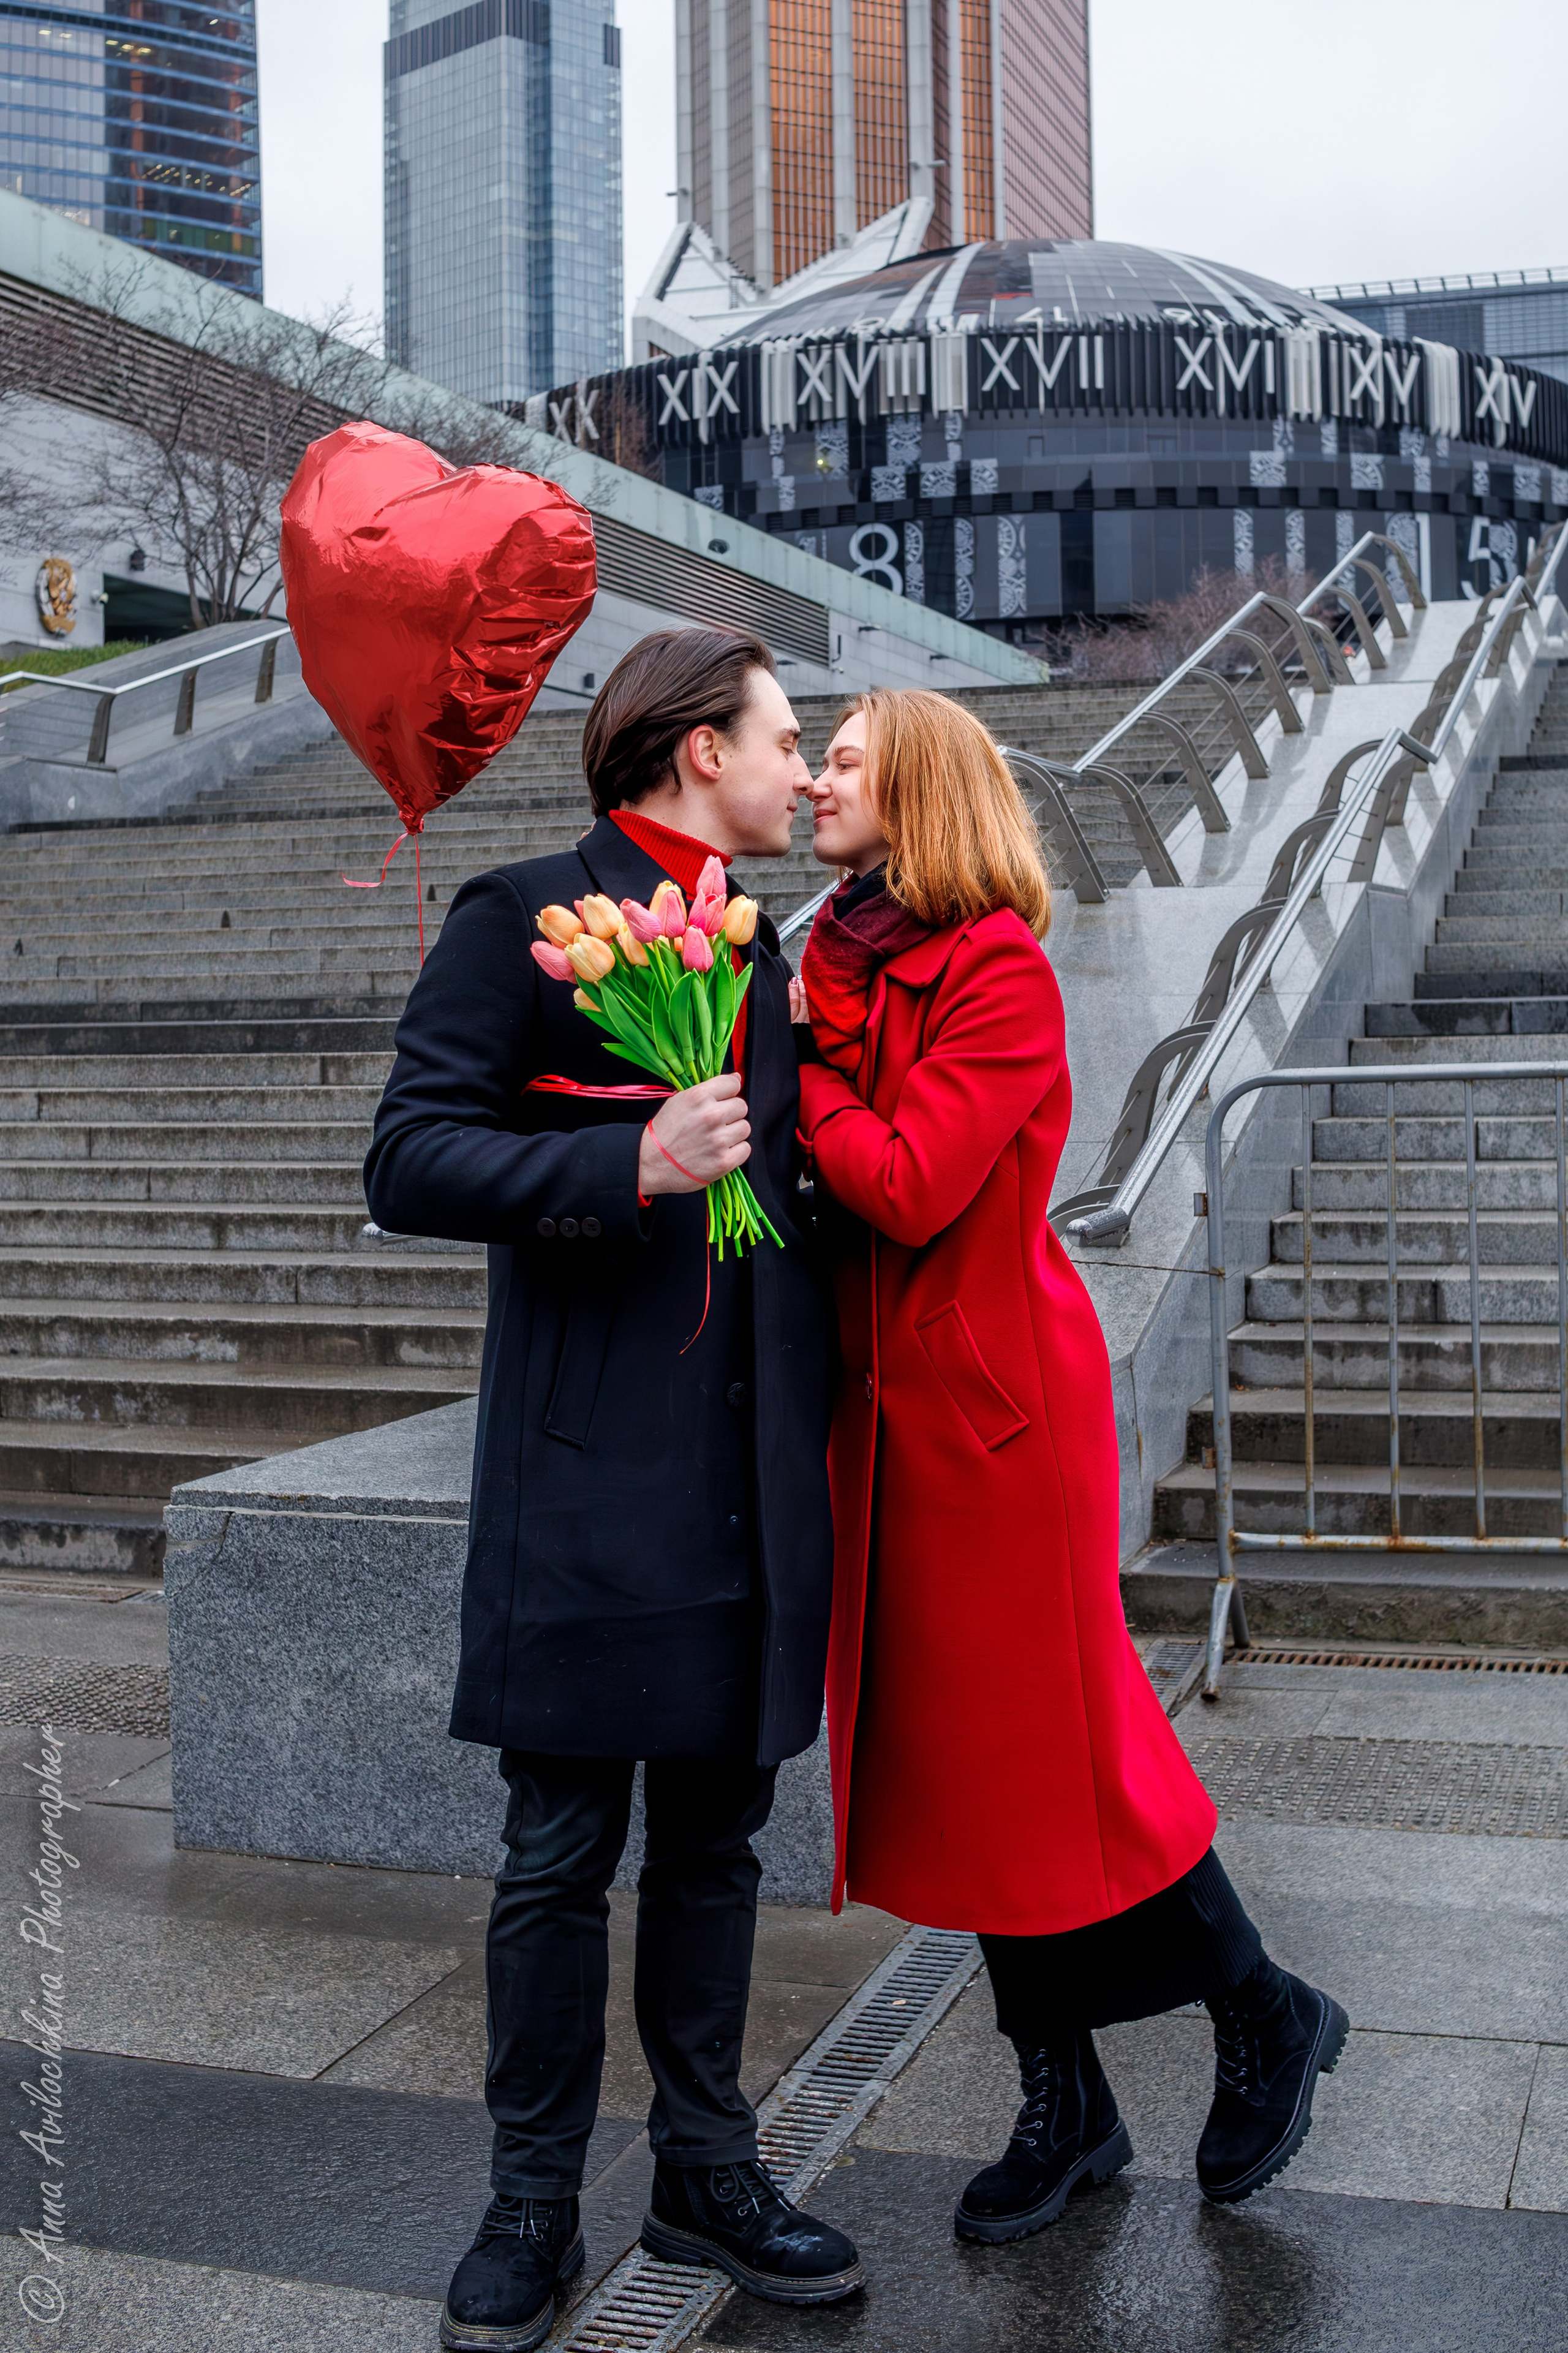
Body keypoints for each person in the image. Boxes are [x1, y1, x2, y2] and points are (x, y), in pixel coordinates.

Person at [790, 687, 1348, 2245]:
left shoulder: (993, 970)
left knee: (1072, 1751)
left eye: (844, 759)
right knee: (973, 1773)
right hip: (891, 1418)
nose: (816, 777)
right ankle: (1067, 2098)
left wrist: (794, 1074)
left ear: (917, 790)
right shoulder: (837, 956)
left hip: (995, 1423)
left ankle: (1262, 2007)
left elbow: (909, 1184)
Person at [366, 627, 864, 2353]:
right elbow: (409, 1157)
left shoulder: (775, 950)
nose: (804, 768)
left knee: (719, 1846)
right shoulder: (521, 916)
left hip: (751, 1477)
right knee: (557, 1854)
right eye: (785, 738)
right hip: (587, 1484)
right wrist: (625, 1160)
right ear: (695, 748)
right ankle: (529, 2199)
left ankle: (707, 2170)